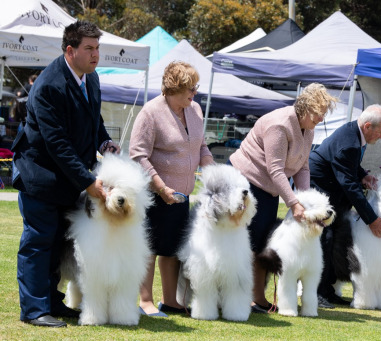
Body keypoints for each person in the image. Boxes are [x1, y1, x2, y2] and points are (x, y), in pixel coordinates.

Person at [11, 21, 120, 328]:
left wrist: (104, 142)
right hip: (41, 177)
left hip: (67, 179)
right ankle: (33, 310)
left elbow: (92, 117)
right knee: (39, 241)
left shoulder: (91, 77)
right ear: (70, 50)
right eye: (89, 48)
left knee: (59, 244)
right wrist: (88, 181)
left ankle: (52, 303)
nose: (96, 55)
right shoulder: (48, 86)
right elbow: (56, 142)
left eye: (98, 48)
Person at [229, 83, 338, 313]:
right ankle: (239, 296)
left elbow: (302, 166)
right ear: (304, 108)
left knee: (262, 244)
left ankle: (257, 298)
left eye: (323, 114)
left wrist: (306, 199)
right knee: (248, 243)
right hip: (249, 182)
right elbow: (276, 169)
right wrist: (294, 203)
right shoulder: (279, 125)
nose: (320, 118)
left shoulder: (308, 128)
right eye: (317, 113)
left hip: (269, 188)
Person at [129, 61, 214, 317]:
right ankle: (145, 302)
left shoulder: (195, 109)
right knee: (150, 248)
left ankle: (170, 301)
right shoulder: (150, 112)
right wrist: (160, 186)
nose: (194, 93)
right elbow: (138, 155)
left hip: (182, 194)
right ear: (173, 88)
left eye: (195, 87)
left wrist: (214, 174)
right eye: (190, 88)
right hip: (155, 194)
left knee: (173, 248)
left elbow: (201, 146)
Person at [309, 104, 381, 308]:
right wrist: (372, 219)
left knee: (336, 237)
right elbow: (350, 186)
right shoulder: (350, 143)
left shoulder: (355, 134)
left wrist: (363, 175)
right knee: (325, 239)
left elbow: (350, 167)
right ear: (368, 126)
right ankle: (317, 293)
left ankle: (328, 290)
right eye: (380, 132)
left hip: (334, 190)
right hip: (323, 189)